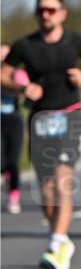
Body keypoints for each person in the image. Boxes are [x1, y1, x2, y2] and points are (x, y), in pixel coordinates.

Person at [1, 0, 81, 269]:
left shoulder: (76, 41)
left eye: (51, 10)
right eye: (41, 10)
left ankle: (54, 243)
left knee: (62, 180)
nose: (45, 14)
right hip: (39, 119)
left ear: (62, 13)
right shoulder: (24, 45)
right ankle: (62, 240)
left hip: (70, 115)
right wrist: (22, 88)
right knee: (46, 190)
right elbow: (3, 74)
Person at [1, 44, 25, 213]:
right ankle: (5, 173)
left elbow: (27, 92)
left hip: (14, 120)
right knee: (1, 160)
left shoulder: (19, 74)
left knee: (13, 161)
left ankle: (14, 196)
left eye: (6, 55)